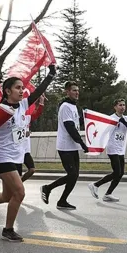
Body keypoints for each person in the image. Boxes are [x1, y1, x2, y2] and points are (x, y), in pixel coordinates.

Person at [0, 65, 56, 242]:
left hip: (17, 157)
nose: (22, 91)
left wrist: (51, 75)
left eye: (22, 88)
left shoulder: (24, 104)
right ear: (8, 91)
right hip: (3, 157)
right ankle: (8, 229)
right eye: (18, 88)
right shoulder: (0, 109)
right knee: (20, 193)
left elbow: (38, 91)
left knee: (7, 196)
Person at [40, 81, 88, 210]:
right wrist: (82, 143)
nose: (77, 92)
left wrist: (87, 117)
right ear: (67, 91)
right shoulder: (65, 106)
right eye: (74, 90)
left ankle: (62, 201)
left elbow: (77, 124)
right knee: (72, 174)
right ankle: (47, 188)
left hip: (73, 146)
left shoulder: (73, 106)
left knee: (75, 175)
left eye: (77, 90)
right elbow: (70, 127)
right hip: (65, 146)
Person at [88, 98, 127, 202]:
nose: (122, 107)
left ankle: (108, 194)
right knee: (117, 172)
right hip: (112, 148)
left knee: (121, 173)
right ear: (115, 107)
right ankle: (95, 185)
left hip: (121, 148)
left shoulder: (126, 118)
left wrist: (125, 123)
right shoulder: (111, 118)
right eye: (120, 105)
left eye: (124, 105)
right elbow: (102, 132)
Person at [19, 95, 45, 182]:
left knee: (32, 169)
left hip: (25, 150)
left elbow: (37, 113)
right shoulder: (14, 117)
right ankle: (16, 187)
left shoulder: (26, 118)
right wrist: (24, 133)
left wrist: (41, 103)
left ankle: (18, 185)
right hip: (16, 151)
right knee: (17, 177)